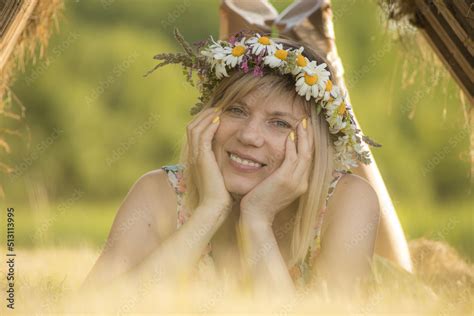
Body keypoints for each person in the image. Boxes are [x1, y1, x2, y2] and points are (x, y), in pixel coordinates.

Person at [82, 30, 381, 299]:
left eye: (279, 123)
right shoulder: (158, 192)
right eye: (236, 110)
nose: (249, 136)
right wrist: (209, 210)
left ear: (313, 142)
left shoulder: (348, 200)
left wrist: (256, 220)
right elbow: (94, 308)